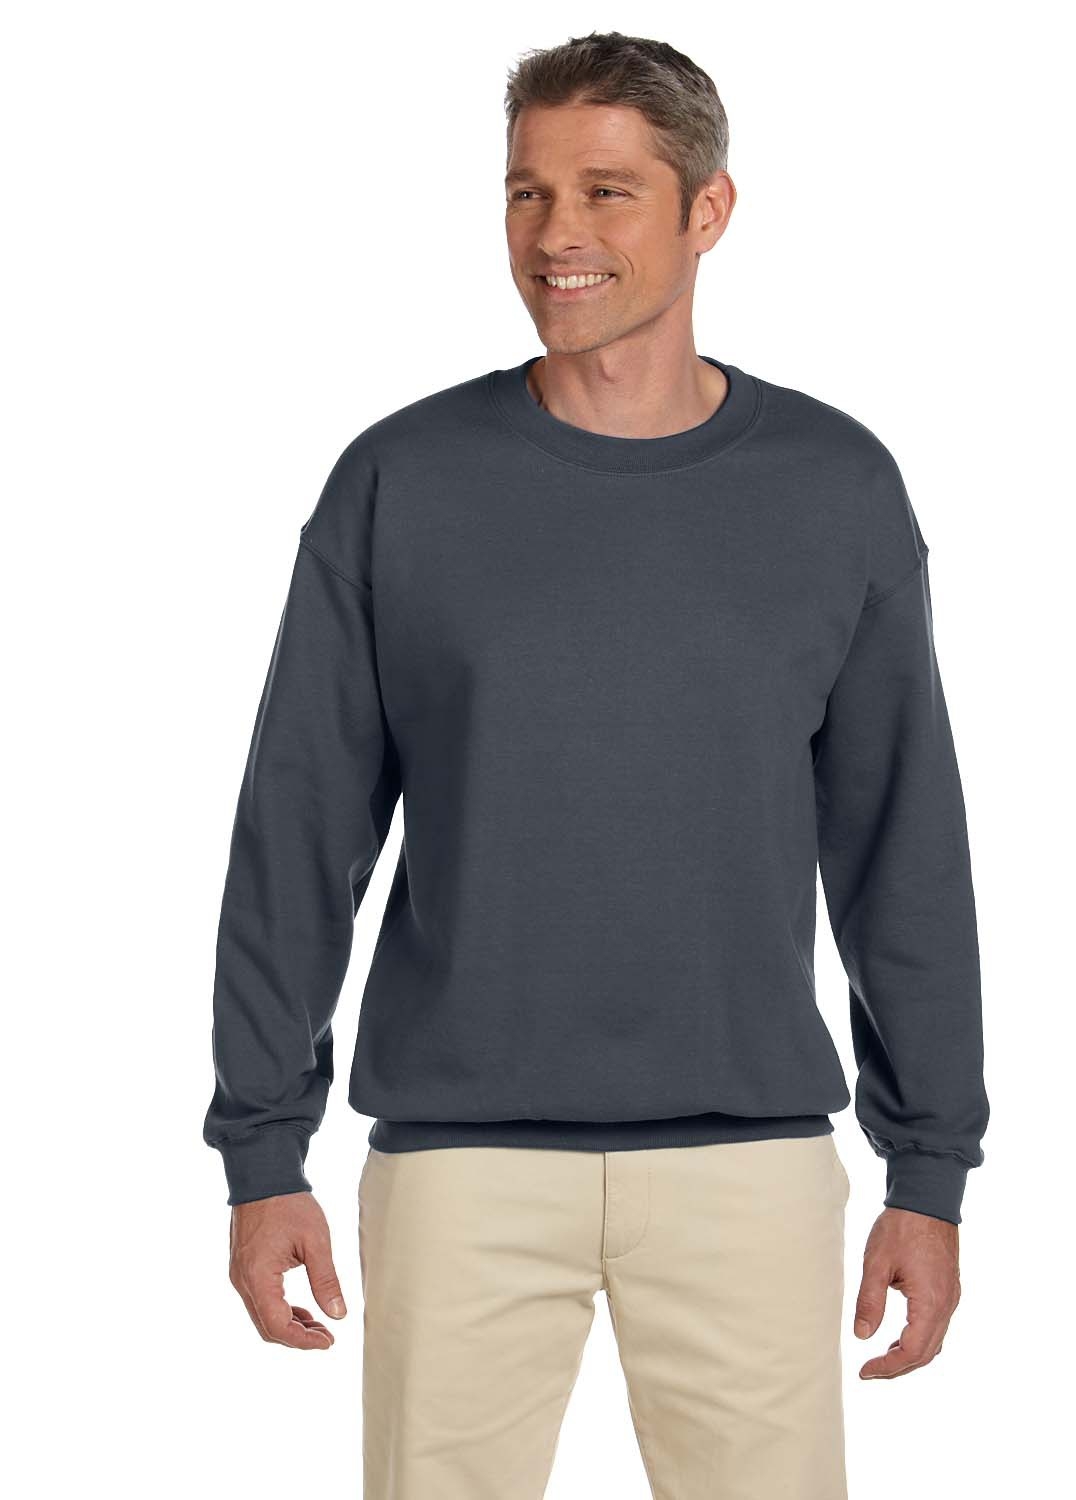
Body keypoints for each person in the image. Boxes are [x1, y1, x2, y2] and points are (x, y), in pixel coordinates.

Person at [203, 29, 988, 1500]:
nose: (556, 233)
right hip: (457, 1169)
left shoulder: (836, 489)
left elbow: (902, 852)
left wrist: (929, 1171)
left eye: (608, 191)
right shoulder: (399, 482)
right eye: (528, 191)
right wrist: (262, 1149)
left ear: (709, 210)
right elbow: (297, 833)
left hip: (749, 1166)